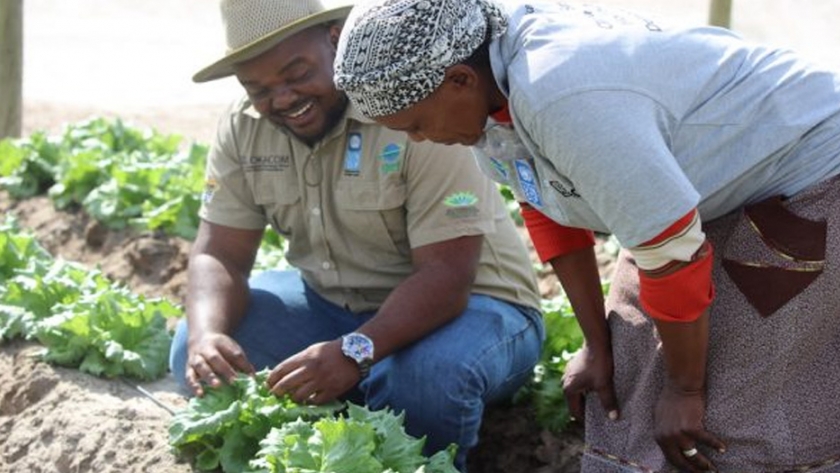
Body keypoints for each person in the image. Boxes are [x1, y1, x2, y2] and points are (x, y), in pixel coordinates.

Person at [333, 0, 840, 471]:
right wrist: (597, 345)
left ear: (459, 79)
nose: (421, 140)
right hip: (708, 190)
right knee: (626, 377)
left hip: (812, 170)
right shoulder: (486, 101)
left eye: (417, 125)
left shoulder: (563, 93)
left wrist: (686, 389)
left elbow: (671, 256)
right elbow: (546, 207)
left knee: (730, 406)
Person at [167, 0, 546, 470]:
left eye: (295, 73)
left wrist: (355, 351)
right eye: (258, 88)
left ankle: (406, 425)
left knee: (424, 380)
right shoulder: (243, 126)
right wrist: (209, 337)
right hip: (336, 309)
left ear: (333, 39)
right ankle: (354, 410)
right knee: (197, 348)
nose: (282, 98)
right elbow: (219, 253)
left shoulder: (410, 104)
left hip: (473, 308)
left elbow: (448, 274)